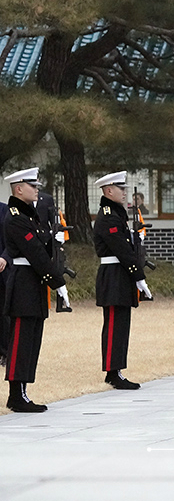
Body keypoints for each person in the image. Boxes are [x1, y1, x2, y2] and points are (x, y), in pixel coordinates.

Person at [3, 168, 66, 412]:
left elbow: (43, 247)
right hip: (23, 284)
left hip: (34, 283)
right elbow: (36, 254)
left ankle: (23, 392)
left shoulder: (30, 215)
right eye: (32, 185)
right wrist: (57, 281)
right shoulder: (16, 217)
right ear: (19, 188)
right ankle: (15, 395)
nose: (37, 188)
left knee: (32, 340)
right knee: (21, 341)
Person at [92, 171, 152, 390]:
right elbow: (122, 250)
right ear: (109, 191)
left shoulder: (117, 214)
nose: (125, 192)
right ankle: (112, 371)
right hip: (114, 275)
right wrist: (139, 276)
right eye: (121, 189)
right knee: (115, 325)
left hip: (120, 274)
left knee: (121, 325)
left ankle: (116, 369)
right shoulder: (108, 216)